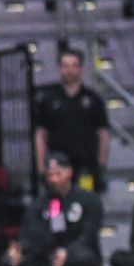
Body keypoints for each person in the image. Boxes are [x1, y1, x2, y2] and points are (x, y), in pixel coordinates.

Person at [5, 153, 104, 266]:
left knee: (84, 258)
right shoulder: (39, 204)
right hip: (46, 253)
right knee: (10, 260)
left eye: (58, 174)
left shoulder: (88, 200)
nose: (54, 180)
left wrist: (67, 252)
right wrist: (19, 248)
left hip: (76, 251)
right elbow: (30, 234)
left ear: (69, 172)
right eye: (50, 175)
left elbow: (88, 235)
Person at [34, 48, 110, 192]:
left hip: (86, 164)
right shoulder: (48, 99)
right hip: (58, 165)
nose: (70, 70)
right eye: (66, 65)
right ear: (60, 68)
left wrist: (101, 163)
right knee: (55, 207)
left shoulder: (93, 99)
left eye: (74, 65)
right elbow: (40, 134)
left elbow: (103, 134)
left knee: (86, 203)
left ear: (81, 68)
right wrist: (41, 166)